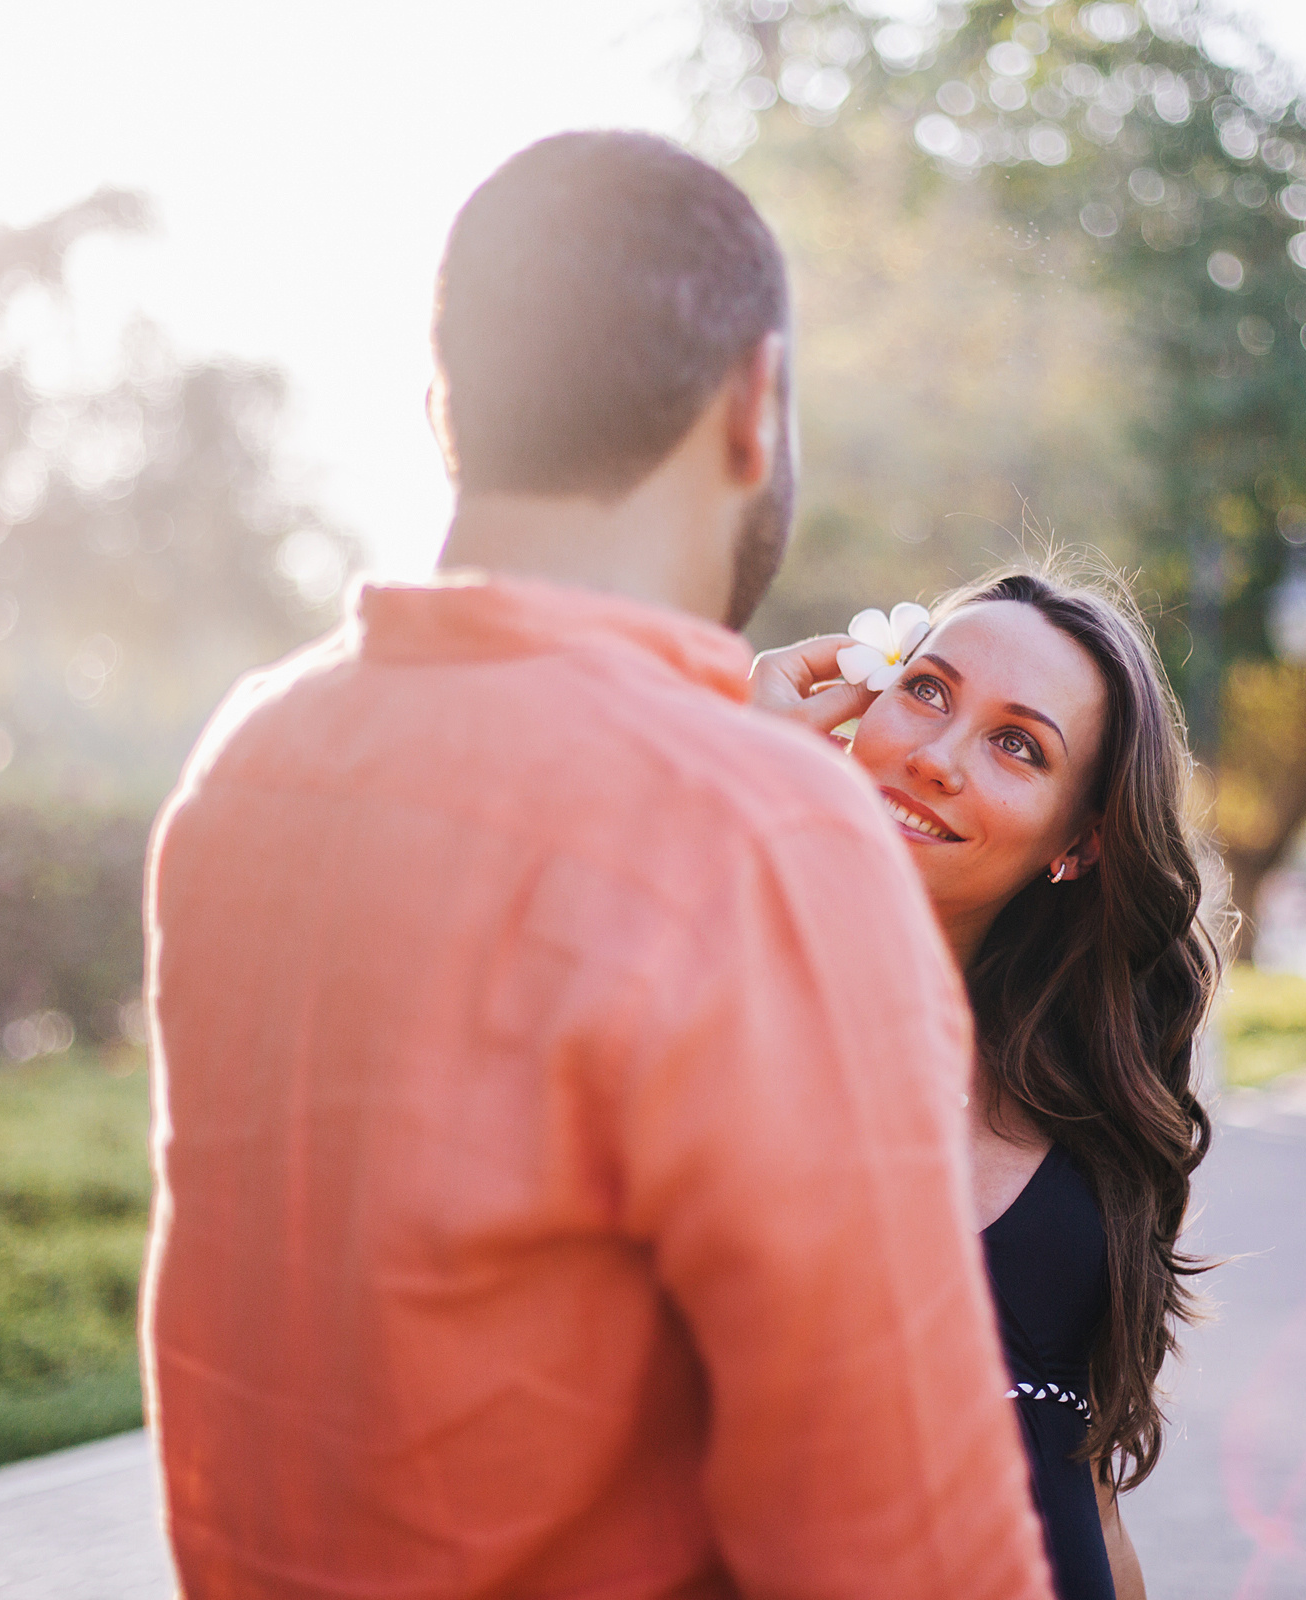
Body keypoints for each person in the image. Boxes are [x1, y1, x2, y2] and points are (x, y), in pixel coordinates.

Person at [142, 131, 1054, 1599]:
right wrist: (735, 781)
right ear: (754, 402)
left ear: (453, 404)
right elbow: (910, 1561)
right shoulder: (760, 839)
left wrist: (712, 746)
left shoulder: (255, 759)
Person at [753, 567, 1221, 1600]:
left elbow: (1090, 1492)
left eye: (1019, 744)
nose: (936, 758)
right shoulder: (720, 994)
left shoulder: (1089, 1097)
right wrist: (748, 799)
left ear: (1080, 840)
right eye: (925, 690)